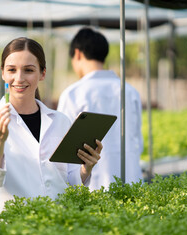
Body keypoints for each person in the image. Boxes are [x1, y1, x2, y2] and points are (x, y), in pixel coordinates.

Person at [0, 37, 102, 212]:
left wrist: (85, 169)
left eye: (28, 70)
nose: (19, 78)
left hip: (61, 224)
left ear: (42, 73)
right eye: (11, 70)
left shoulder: (60, 121)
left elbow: (69, 181)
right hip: (16, 229)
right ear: (3, 73)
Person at [57, 27, 143, 191]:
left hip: (94, 188)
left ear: (77, 54)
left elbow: (64, 152)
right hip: (133, 184)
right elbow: (138, 142)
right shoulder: (130, 91)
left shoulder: (73, 94)